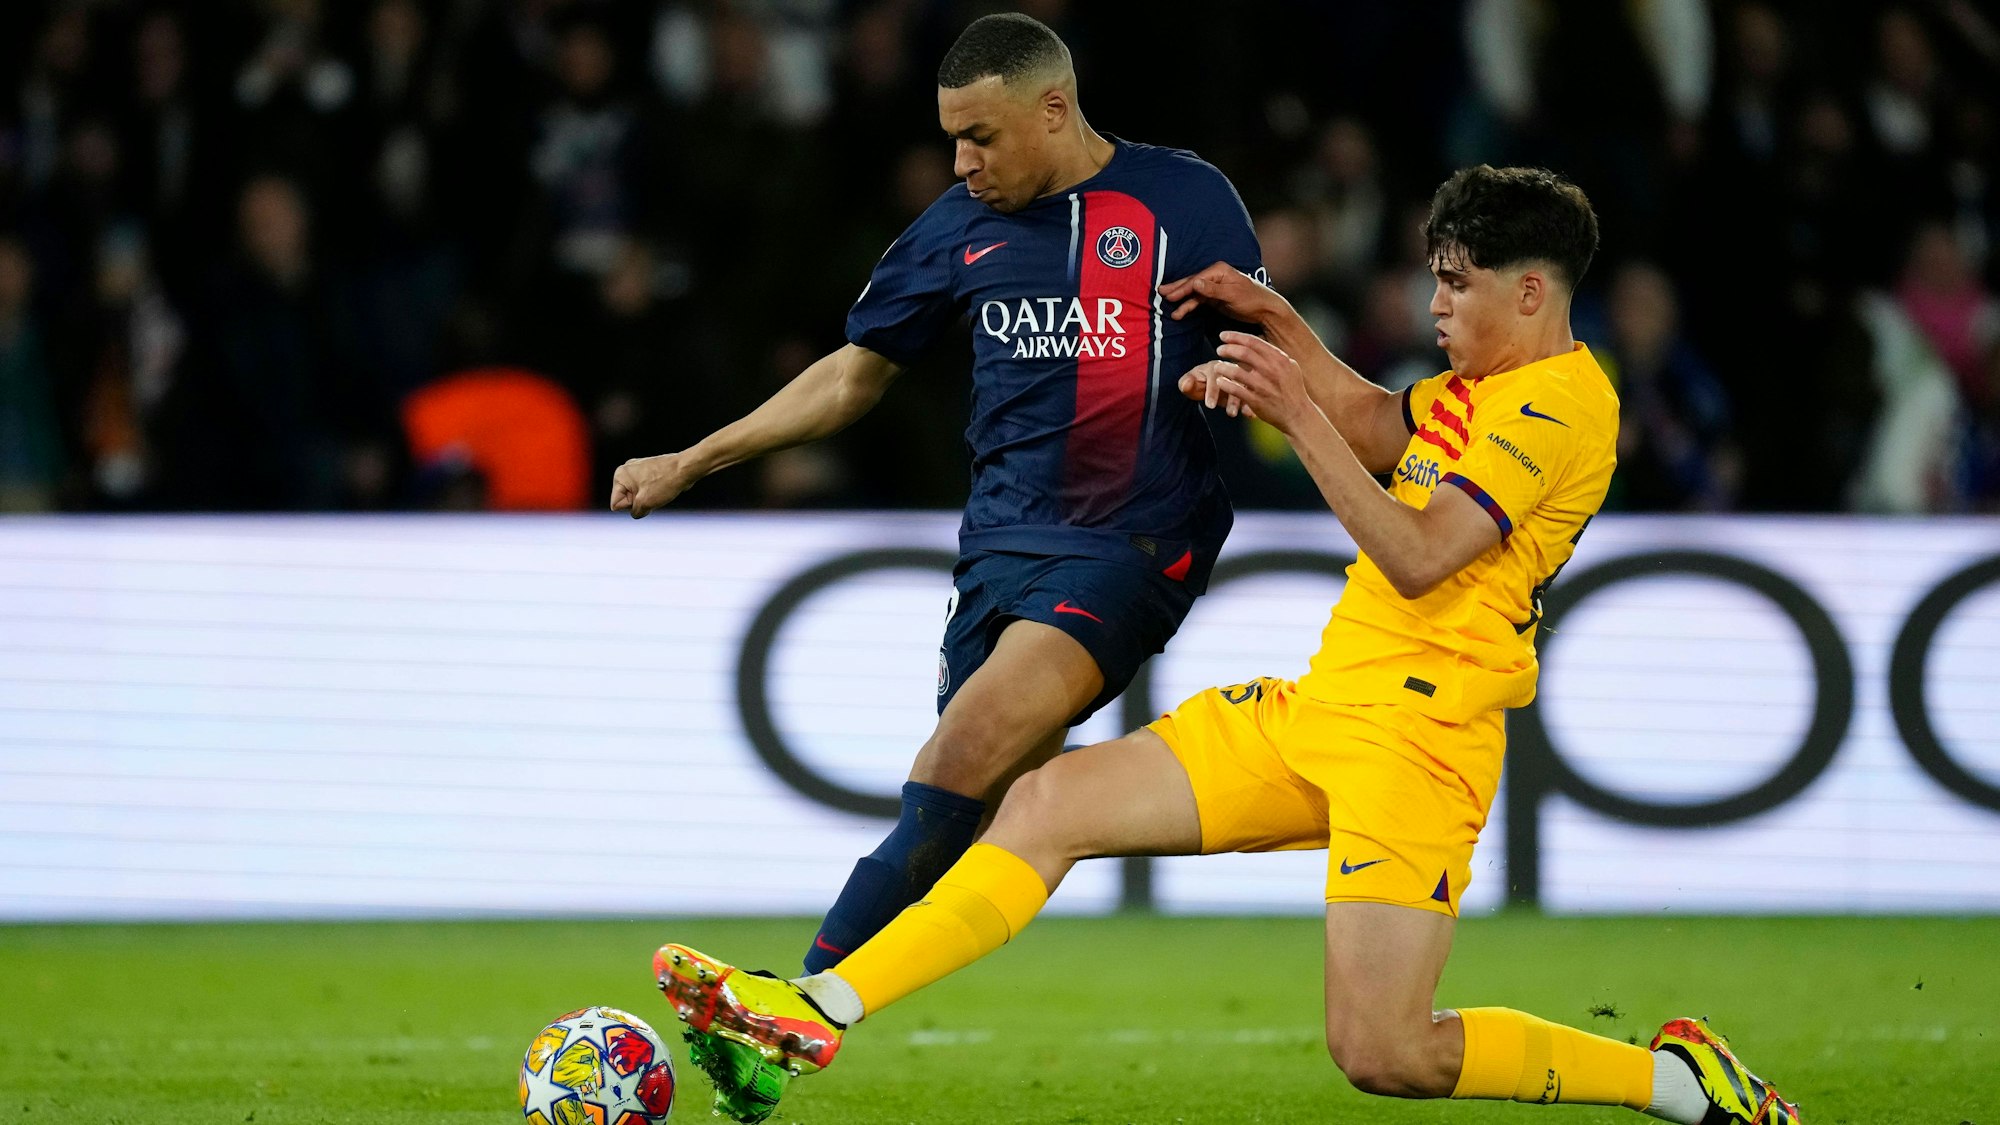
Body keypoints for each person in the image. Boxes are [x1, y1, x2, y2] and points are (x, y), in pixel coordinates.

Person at [650, 166, 1804, 1125]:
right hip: (1325, 707)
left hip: (1420, 741)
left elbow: (1416, 552)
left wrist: (1286, 410)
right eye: (1432, 279)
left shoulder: (1558, 407)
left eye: (1454, 286)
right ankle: (818, 1011)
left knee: (1382, 1052)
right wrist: (1275, 320)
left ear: (1533, 290)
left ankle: (1674, 1084)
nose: (1434, 305)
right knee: (1046, 805)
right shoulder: (1475, 382)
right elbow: (1375, 422)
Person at [608, 12, 1261, 1118]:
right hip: (996, 551)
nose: (961, 162)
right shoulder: (953, 229)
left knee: (959, 754)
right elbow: (853, 375)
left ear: (1052, 109)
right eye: (952, 139)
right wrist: (694, 457)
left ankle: (790, 1004)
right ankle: (789, 1041)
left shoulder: (1184, 201)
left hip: (1131, 545)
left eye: (979, 137)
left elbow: (1267, 335)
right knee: (985, 819)